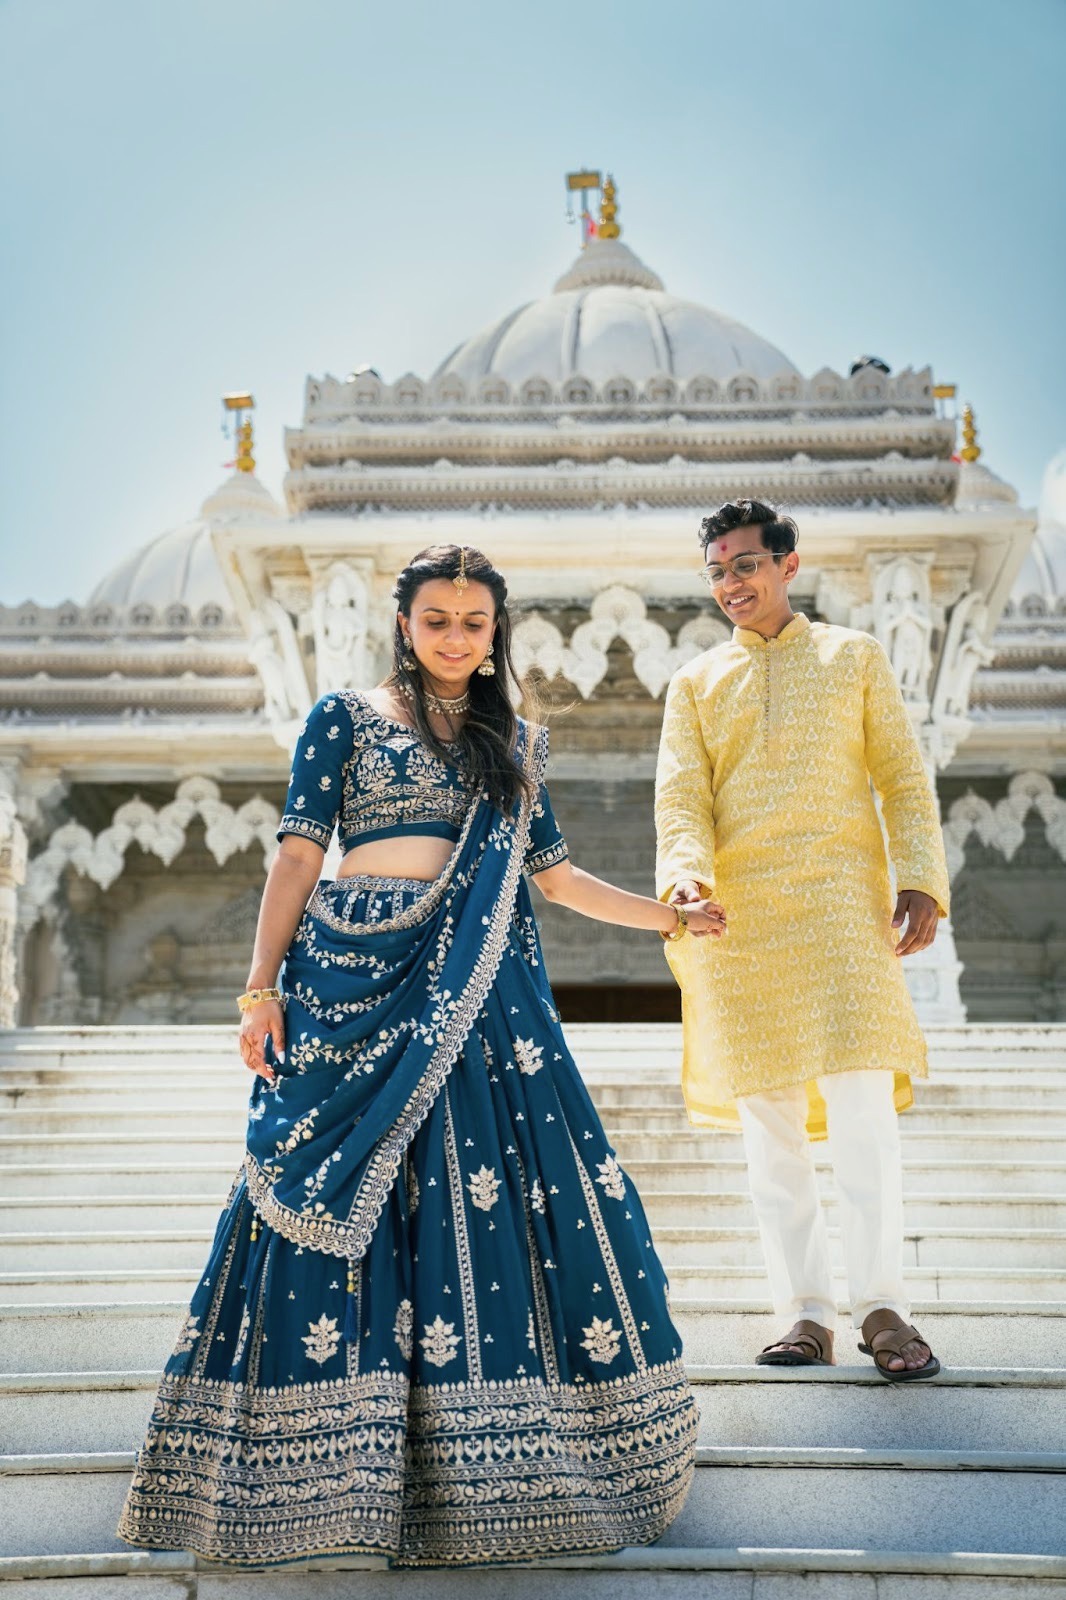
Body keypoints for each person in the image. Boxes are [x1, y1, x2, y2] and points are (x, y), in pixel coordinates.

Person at [119, 543, 721, 1569]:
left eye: (473, 622)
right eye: (436, 618)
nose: (454, 636)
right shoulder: (344, 719)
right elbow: (301, 854)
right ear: (406, 625)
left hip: (478, 999)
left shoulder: (514, 743)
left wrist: (669, 917)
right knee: (327, 1199)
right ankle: (313, 1478)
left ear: (495, 633)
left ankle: (496, 1470)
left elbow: (559, 879)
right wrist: (259, 985)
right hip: (349, 986)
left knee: (486, 1200)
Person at [654, 500, 951, 1382]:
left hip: (844, 917)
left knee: (863, 1120)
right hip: (742, 926)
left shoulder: (853, 657)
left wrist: (921, 878)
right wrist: (685, 875)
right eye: (715, 570)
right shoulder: (697, 682)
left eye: (744, 564)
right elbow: (682, 797)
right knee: (770, 1131)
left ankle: (884, 1308)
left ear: (788, 565)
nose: (729, 584)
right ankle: (805, 1312)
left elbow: (900, 774)